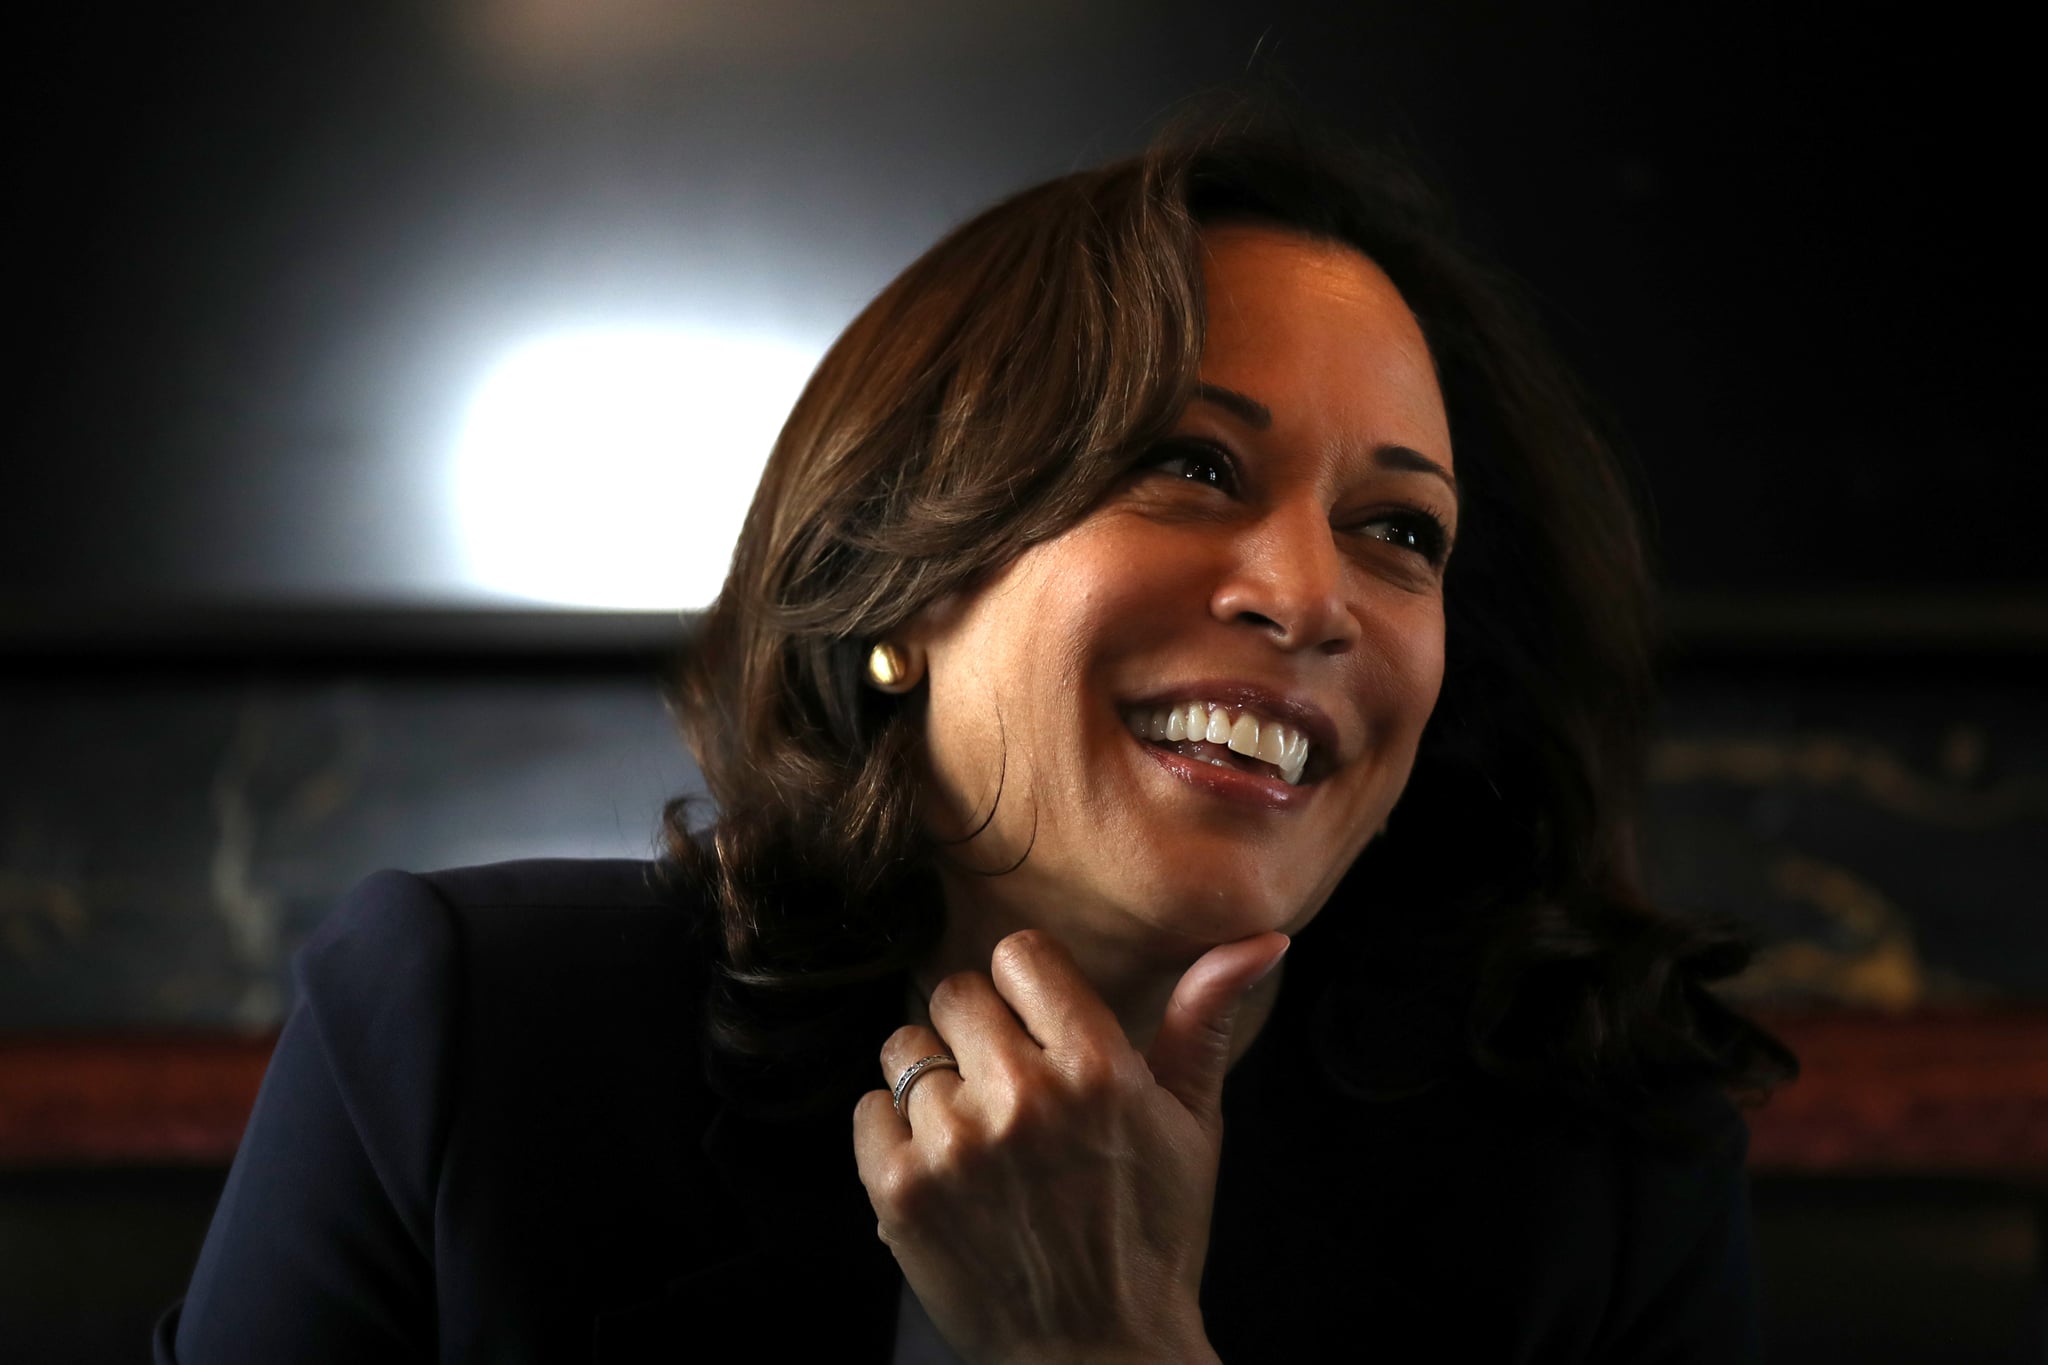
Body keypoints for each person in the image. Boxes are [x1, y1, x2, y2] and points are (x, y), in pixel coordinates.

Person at [156, 119, 1793, 1363]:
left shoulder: (1605, 1161)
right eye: (1196, 467)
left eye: (1401, 533)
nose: (1312, 598)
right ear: (905, 575)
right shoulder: (465, 1037)